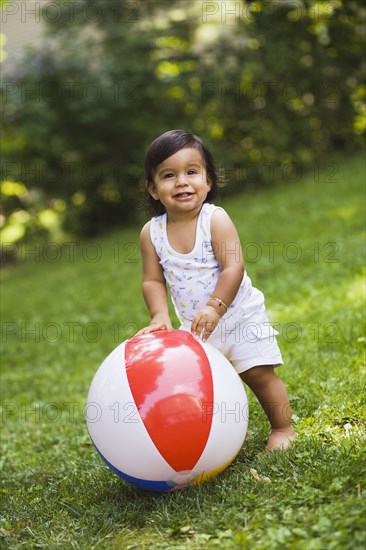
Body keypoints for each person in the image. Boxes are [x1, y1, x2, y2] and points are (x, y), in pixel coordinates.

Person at [137, 129, 295, 451]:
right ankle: (210, 439)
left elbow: (234, 266)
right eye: (169, 175)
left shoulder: (215, 219)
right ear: (153, 189)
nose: (182, 182)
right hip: (197, 327)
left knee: (258, 374)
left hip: (238, 316)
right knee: (198, 385)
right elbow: (153, 280)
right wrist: (159, 315)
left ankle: (283, 428)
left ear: (208, 181)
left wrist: (216, 305)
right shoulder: (151, 233)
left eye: (192, 172)